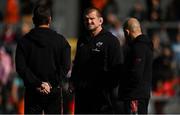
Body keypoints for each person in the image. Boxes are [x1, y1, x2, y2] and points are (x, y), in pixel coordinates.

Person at [15, 4, 71, 114]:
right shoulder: (61, 41)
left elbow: (21, 68)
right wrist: (50, 84)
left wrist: (37, 83)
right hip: (54, 90)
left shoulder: (24, 41)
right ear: (50, 19)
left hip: (32, 91)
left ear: (33, 20)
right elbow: (65, 66)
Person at [70, 7, 123, 114]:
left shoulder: (111, 41)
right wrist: (73, 81)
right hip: (82, 96)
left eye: (92, 18)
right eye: (86, 19)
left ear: (100, 21)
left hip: (102, 98)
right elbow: (77, 63)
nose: (89, 21)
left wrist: (107, 89)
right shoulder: (82, 39)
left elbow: (117, 68)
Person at [119, 18, 153, 114]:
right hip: (140, 95)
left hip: (134, 96)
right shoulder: (146, 46)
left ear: (127, 32)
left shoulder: (138, 47)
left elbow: (136, 73)